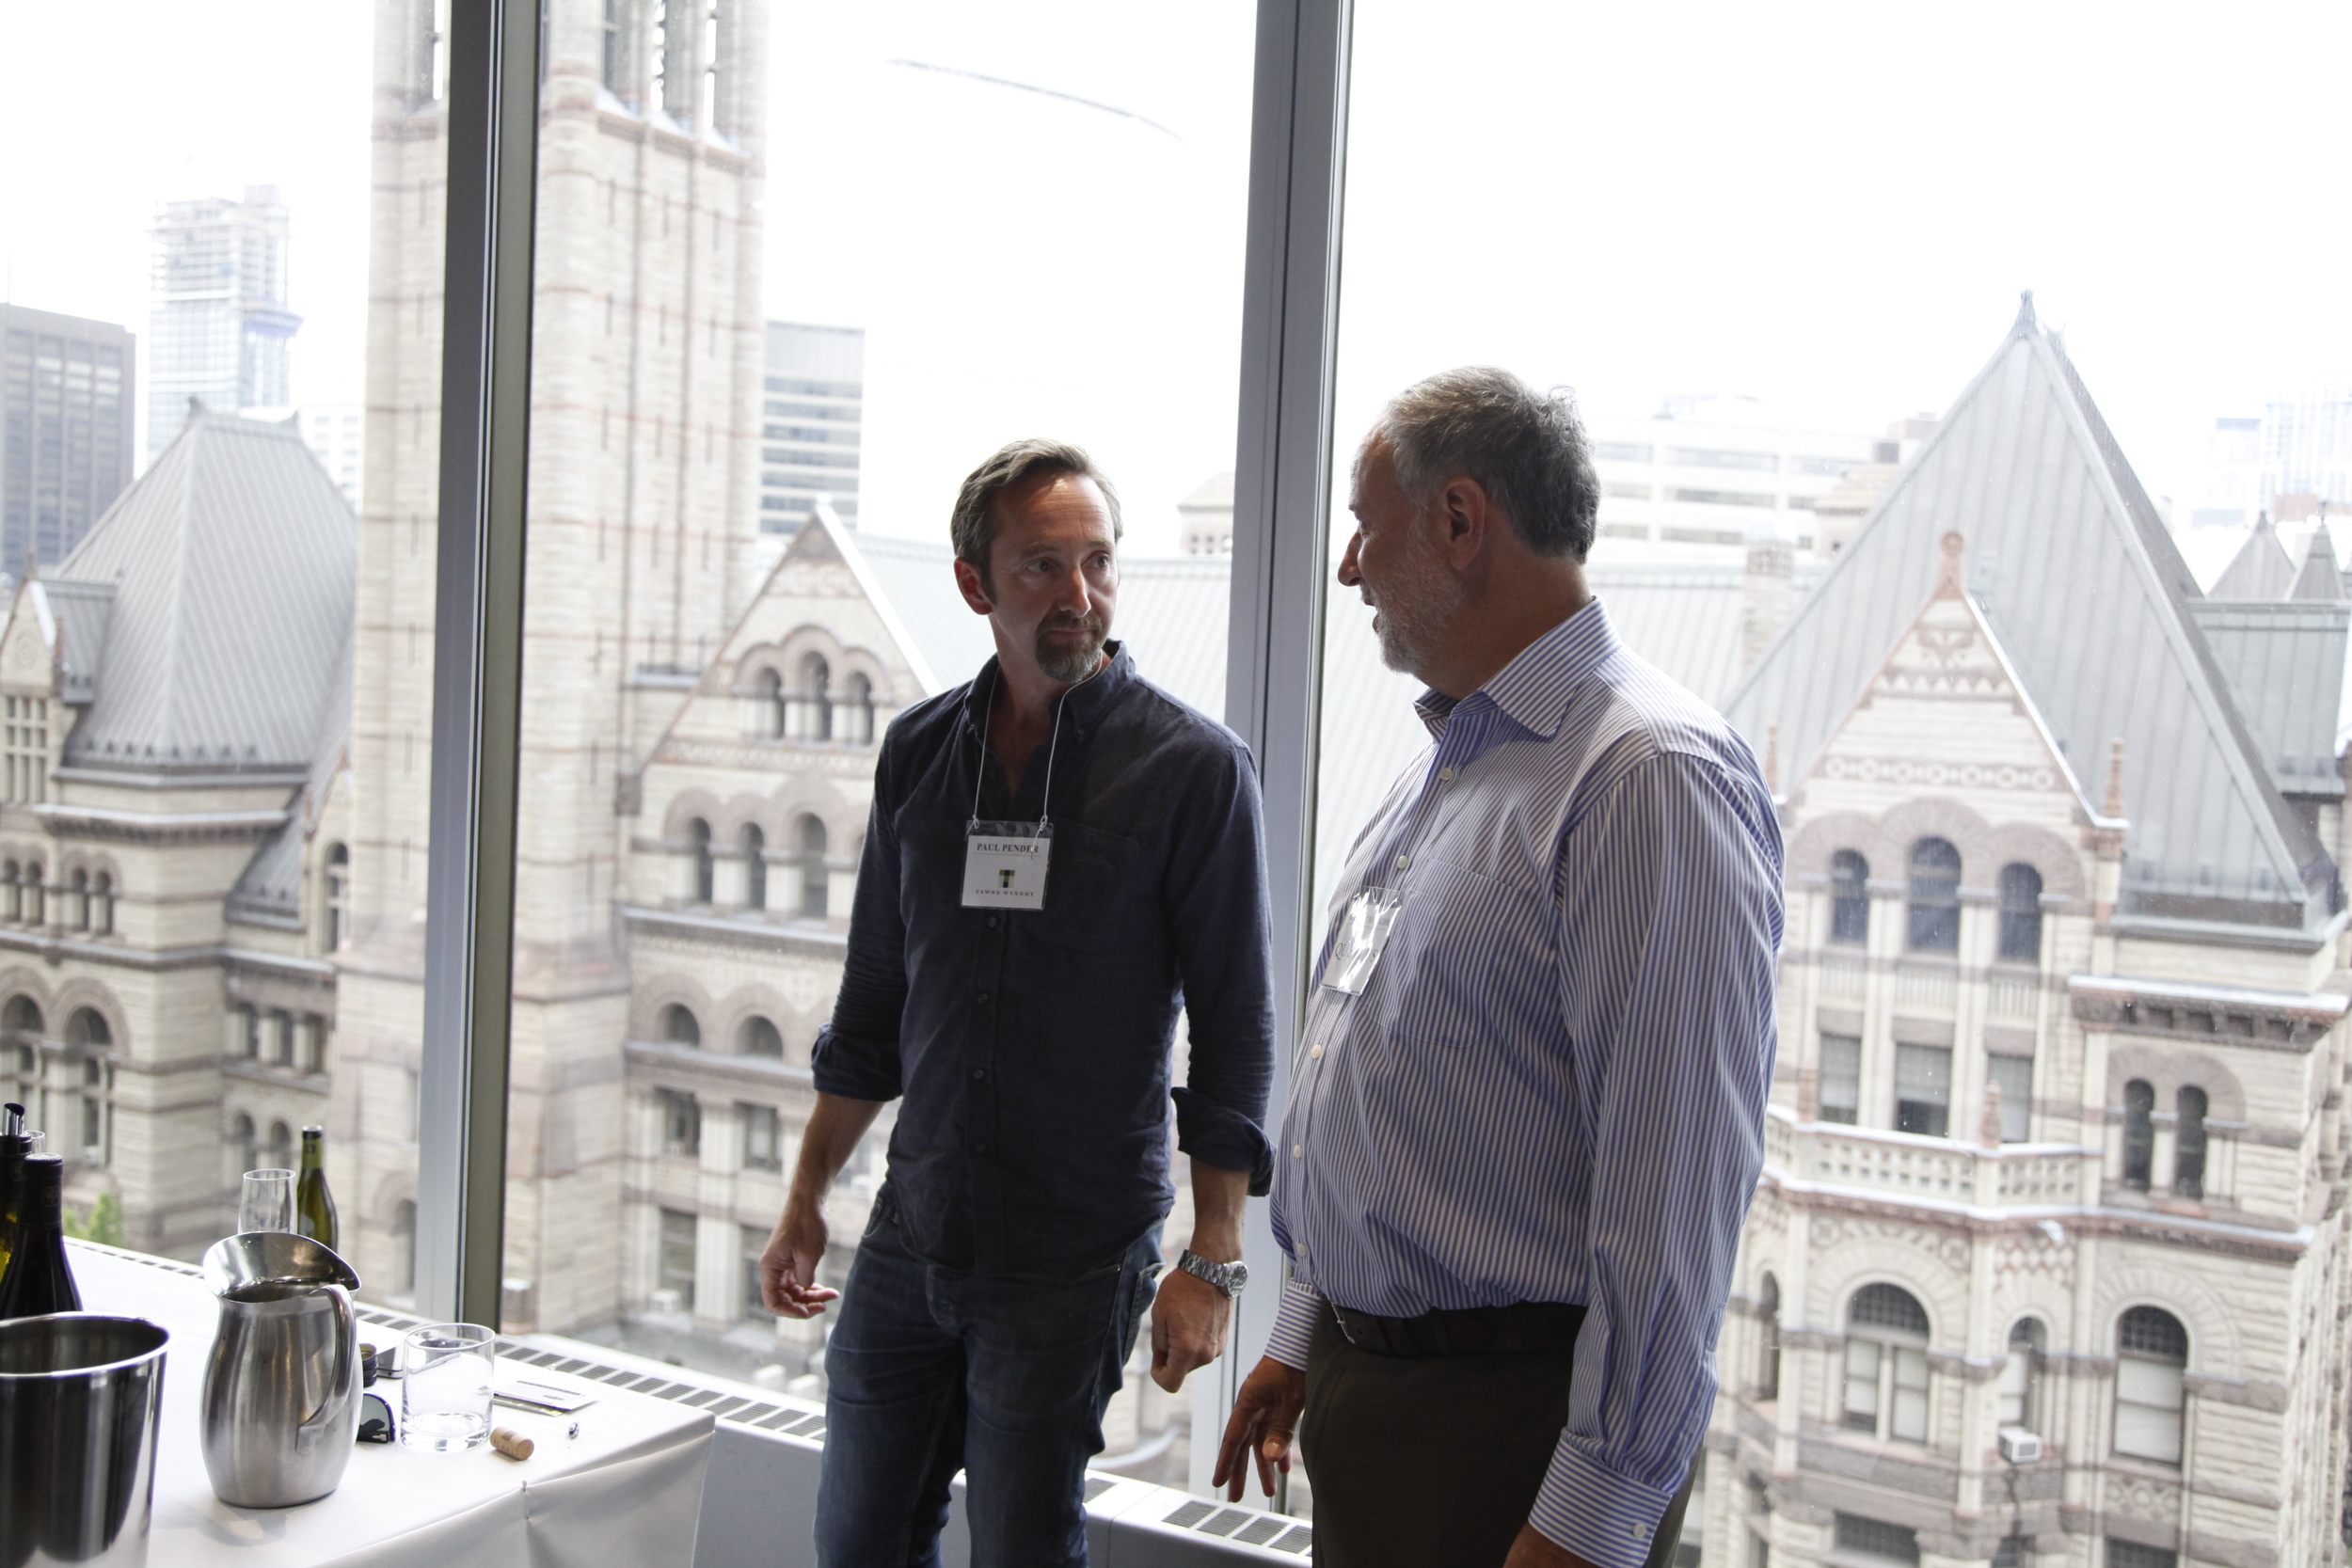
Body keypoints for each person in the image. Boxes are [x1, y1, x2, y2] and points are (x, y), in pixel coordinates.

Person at [1214, 369, 1784, 1568]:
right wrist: (1307, 1330)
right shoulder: (1458, 759)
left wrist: (1586, 1522)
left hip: (1507, 1440)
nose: (1348, 567)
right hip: (1386, 1402)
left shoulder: (1644, 778)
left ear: (1460, 523)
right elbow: (1384, 1086)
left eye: (1365, 527)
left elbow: (1671, 1203)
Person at [761, 437, 1276, 1568]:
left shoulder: (1193, 770)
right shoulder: (919, 753)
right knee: (855, 1541)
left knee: (1023, 1554)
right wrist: (806, 1196)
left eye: (1097, 562)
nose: (1078, 595)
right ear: (974, 583)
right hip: (915, 1229)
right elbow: (875, 1002)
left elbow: (1236, 1029)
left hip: (1072, 1257)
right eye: (1042, 565)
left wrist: (1213, 1257)